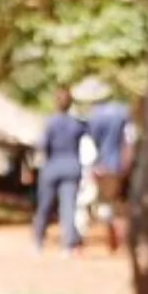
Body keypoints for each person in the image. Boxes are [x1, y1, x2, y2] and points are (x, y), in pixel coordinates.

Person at [77, 81, 134, 254]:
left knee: (108, 205)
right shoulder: (124, 112)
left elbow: (92, 144)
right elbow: (131, 138)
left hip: (105, 166)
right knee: (123, 206)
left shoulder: (94, 118)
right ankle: (122, 240)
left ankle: (114, 241)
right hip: (125, 165)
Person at [32, 89, 86, 254]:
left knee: (45, 205)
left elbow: (42, 146)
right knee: (68, 207)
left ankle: (39, 241)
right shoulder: (77, 123)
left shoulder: (50, 122)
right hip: (72, 167)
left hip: (53, 167)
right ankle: (68, 245)